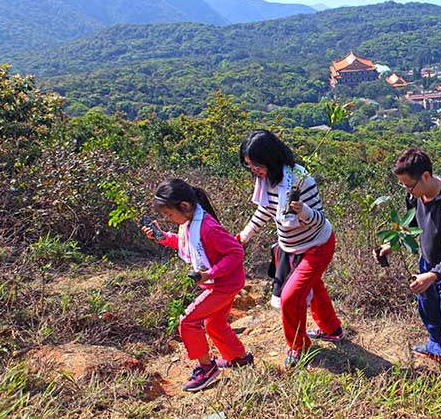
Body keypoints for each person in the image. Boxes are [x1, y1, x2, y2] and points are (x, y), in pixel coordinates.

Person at [236, 130, 343, 369]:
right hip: (290, 248)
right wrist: (244, 236)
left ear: (271, 159)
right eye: (250, 167)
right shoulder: (266, 181)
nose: (254, 172)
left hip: (317, 246)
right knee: (313, 284)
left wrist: (301, 210)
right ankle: (332, 329)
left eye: (256, 166)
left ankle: (298, 346)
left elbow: (318, 219)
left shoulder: (301, 180)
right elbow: (265, 210)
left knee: (290, 298)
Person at [141, 178, 252, 392]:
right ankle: (239, 358)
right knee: (215, 324)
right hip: (222, 283)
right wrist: (163, 237)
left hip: (223, 284)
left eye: (169, 214)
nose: (169, 219)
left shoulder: (208, 228)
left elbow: (236, 252)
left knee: (188, 321)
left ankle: (206, 368)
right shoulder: (190, 223)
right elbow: (186, 243)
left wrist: (210, 273)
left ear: (184, 206)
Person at [375, 147, 441, 362]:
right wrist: (392, 244)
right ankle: (436, 349)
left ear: (426, 176)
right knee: (428, 312)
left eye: (409, 185)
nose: (406, 190)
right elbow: (413, 223)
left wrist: (433, 275)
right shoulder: (415, 196)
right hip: (427, 264)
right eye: (402, 185)